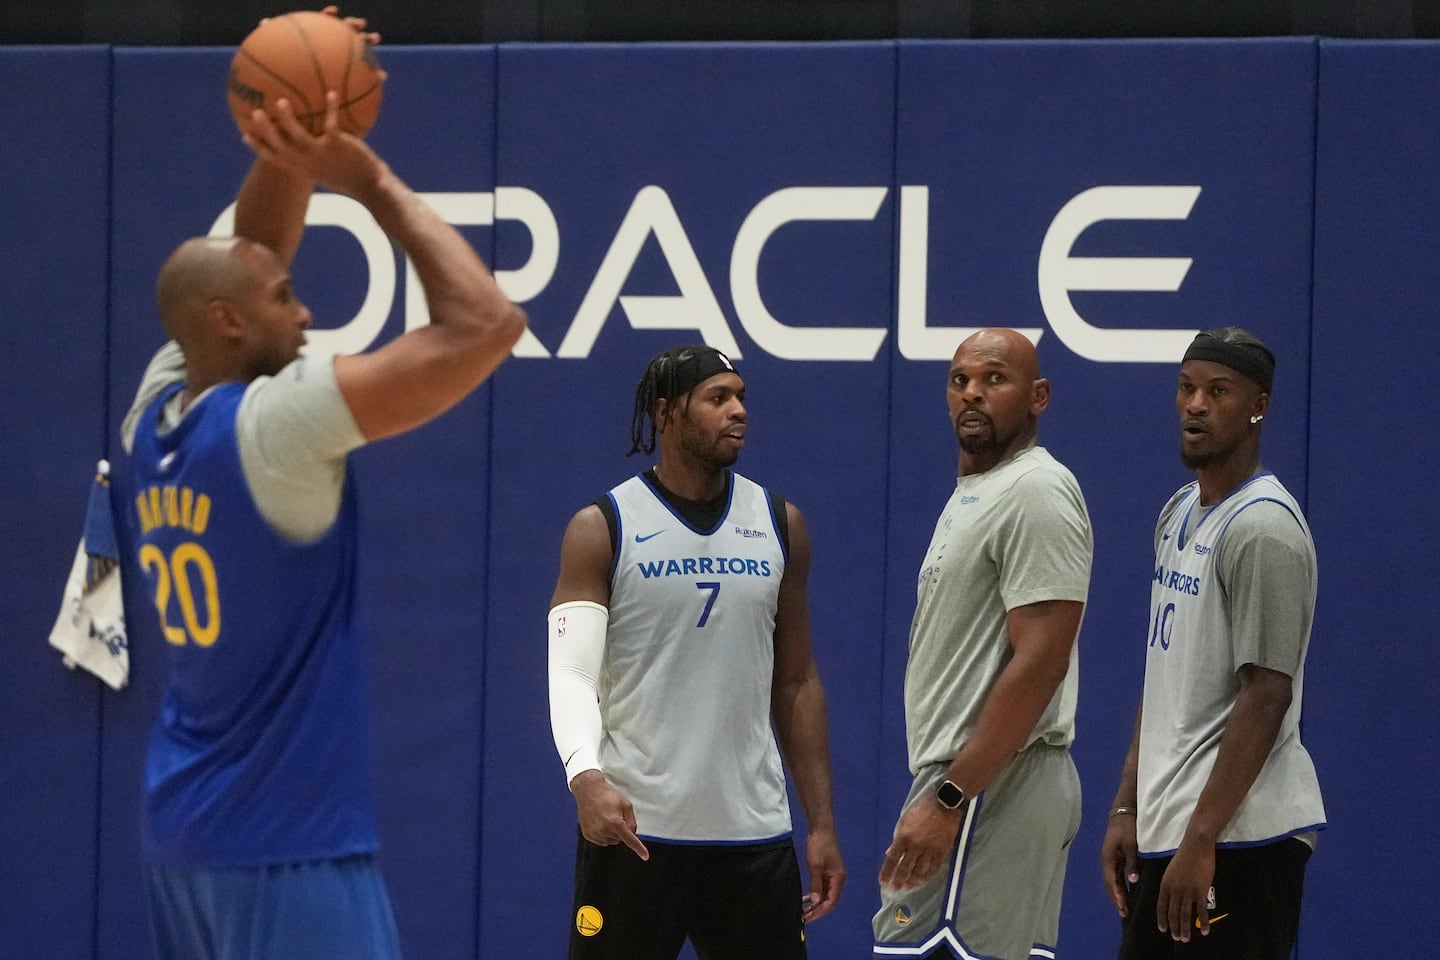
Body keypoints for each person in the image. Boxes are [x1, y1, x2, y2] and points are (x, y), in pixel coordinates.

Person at [120, 44, 527, 960]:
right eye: (288, 298)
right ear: (227, 324)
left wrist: (290, 142)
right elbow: (485, 325)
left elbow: (248, 256)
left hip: (183, 836)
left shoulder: (150, 415)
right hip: (288, 846)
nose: (305, 314)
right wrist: (365, 175)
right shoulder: (276, 428)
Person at [546, 344, 846, 960]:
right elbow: (571, 673)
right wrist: (585, 778)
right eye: (718, 398)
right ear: (667, 413)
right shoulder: (603, 526)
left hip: (754, 834)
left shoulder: (780, 523)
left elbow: (795, 682)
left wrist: (821, 824)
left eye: (741, 397)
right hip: (635, 831)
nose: (738, 411)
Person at [1100, 327, 1325, 958]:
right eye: (1186, 388)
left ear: (1259, 406)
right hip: (1170, 829)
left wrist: (1203, 837)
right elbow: (1164, 675)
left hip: (1238, 840)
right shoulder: (1178, 511)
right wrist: (1127, 806)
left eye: (1217, 391)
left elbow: (1267, 693)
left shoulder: (1263, 529)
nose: (1195, 405)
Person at [873, 328, 1093, 960]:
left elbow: (1044, 659)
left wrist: (948, 798)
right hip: (988, 782)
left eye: (994, 379)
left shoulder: (1035, 491)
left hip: (990, 785)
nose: (972, 393)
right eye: (959, 379)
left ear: (1038, 396)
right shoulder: (980, 491)